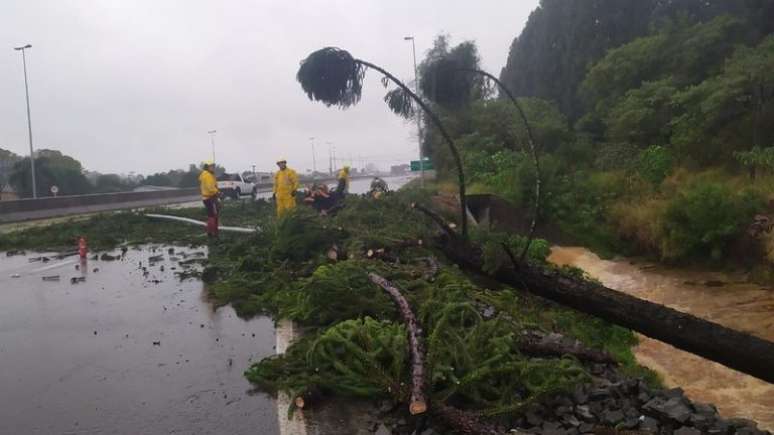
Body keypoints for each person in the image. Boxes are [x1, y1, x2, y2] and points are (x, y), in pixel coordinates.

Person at [199, 161, 220, 237]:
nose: (213, 167)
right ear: (207, 167)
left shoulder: (206, 174)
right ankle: (213, 232)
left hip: (207, 198)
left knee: (211, 215)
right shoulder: (208, 176)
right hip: (210, 198)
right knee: (213, 216)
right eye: (212, 166)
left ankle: (210, 231)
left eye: (214, 166)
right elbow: (210, 188)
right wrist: (217, 192)